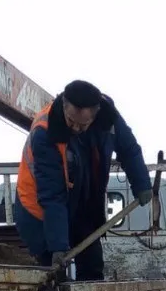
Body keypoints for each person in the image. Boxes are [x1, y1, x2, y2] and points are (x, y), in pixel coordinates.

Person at [14, 79, 153, 280]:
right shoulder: (46, 132)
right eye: (71, 121)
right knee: (51, 277)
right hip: (39, 213)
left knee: (92, 267)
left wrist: (141, 184)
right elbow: (52, 196)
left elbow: (129, 149)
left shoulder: (109, 118)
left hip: (82, 202)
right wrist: (58, 246)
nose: (76, 129)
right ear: (63, 107)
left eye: (83, 124)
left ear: (95, 115)